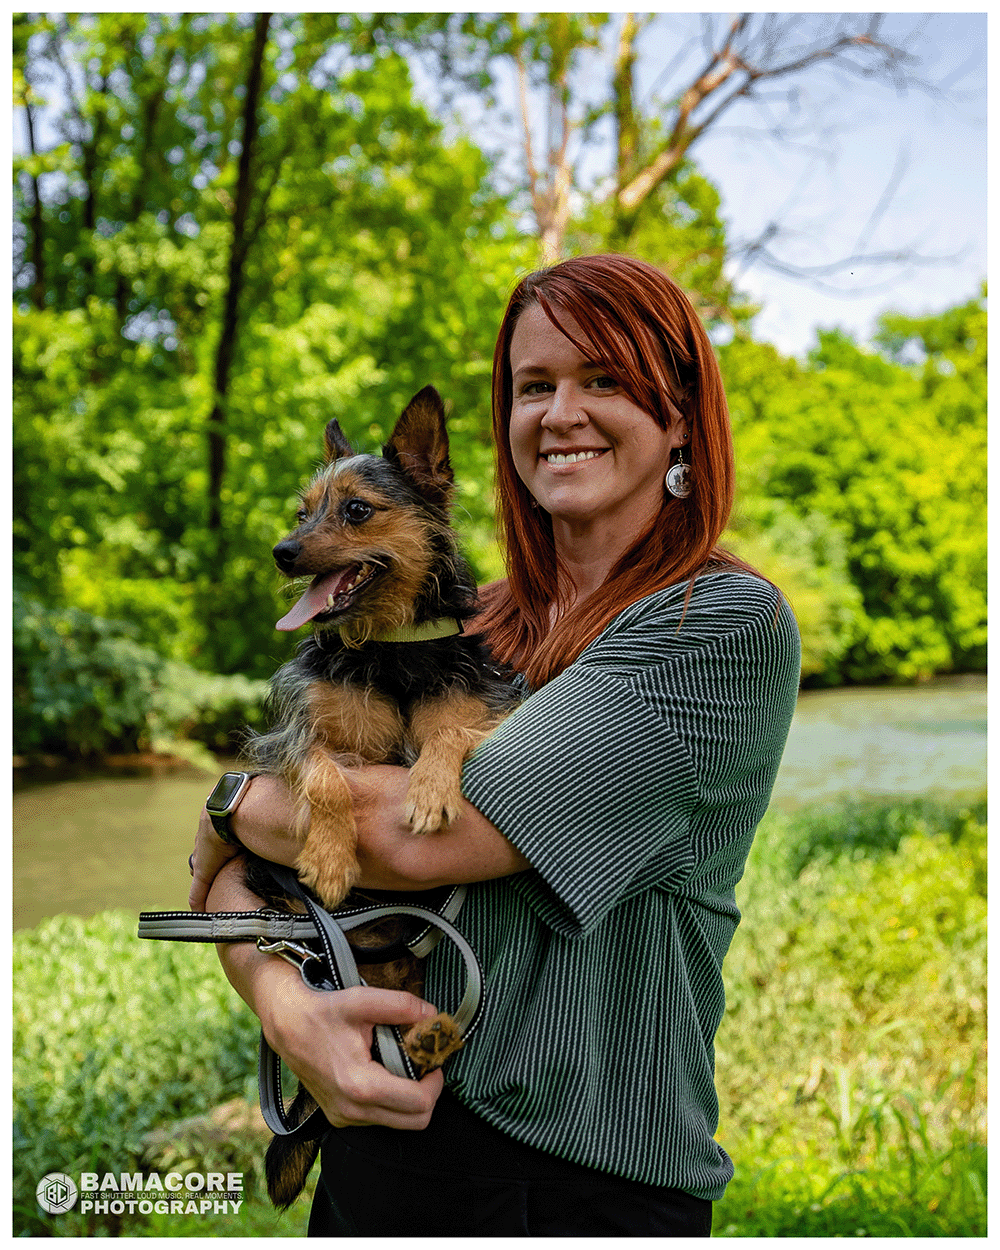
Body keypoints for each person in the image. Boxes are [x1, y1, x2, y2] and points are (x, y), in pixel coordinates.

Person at [189, 253, 801, 1237]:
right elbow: (224, 884)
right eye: (532, 385)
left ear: (679, 414)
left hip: (580, 1180)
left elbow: (413, 837)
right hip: (377, 1134)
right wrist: (284, 1006)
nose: (560, 411)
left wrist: (230, 803)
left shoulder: (716, 624)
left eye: (603, 378)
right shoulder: (450, 627)